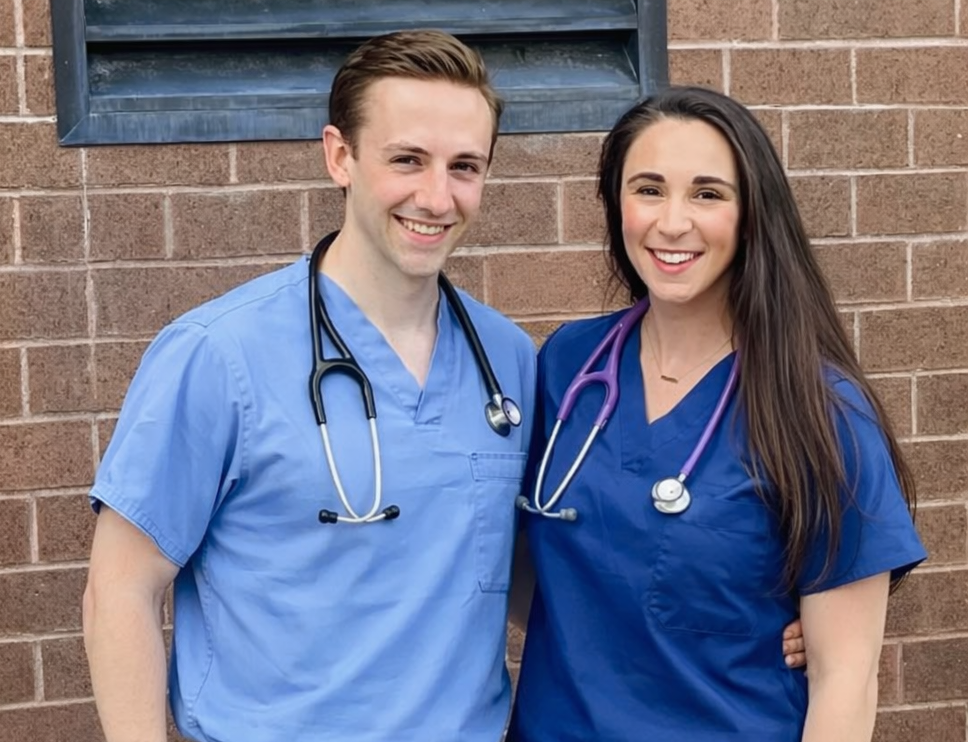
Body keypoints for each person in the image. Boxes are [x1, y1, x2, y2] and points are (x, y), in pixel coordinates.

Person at [82, 32, 805, 742]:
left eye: (465, 166)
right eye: (407, 160)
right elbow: (120, 588)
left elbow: (541, 564)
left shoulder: (508, 362)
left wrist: (739, 618)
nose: (436, 196)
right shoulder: (218, 355)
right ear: (340, 156)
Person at [509, 86, 926, 742]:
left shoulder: (819, 412)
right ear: (615, 202)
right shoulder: (568, 364)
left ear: (752, 212)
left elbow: (845, 679)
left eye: (707, 194)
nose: (671, 222)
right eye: (647, 189)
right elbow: (532, 570)